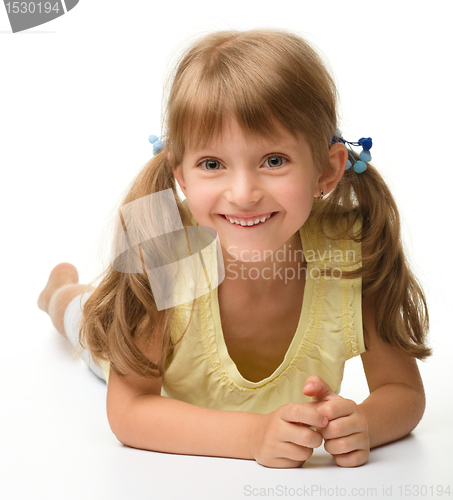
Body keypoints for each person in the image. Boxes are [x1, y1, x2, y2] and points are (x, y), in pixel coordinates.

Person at [37, 28, 431, 469]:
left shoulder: (351, 253)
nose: (243, 193)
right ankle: (59, 291)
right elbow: (129, 412)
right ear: (181, 175)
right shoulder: (165, 249)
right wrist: (253, 436)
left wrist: (362, 423)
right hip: (128, 345)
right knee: (85, 320)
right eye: (212, 164)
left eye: (274, 161)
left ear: (327, 169)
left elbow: (404, 393)